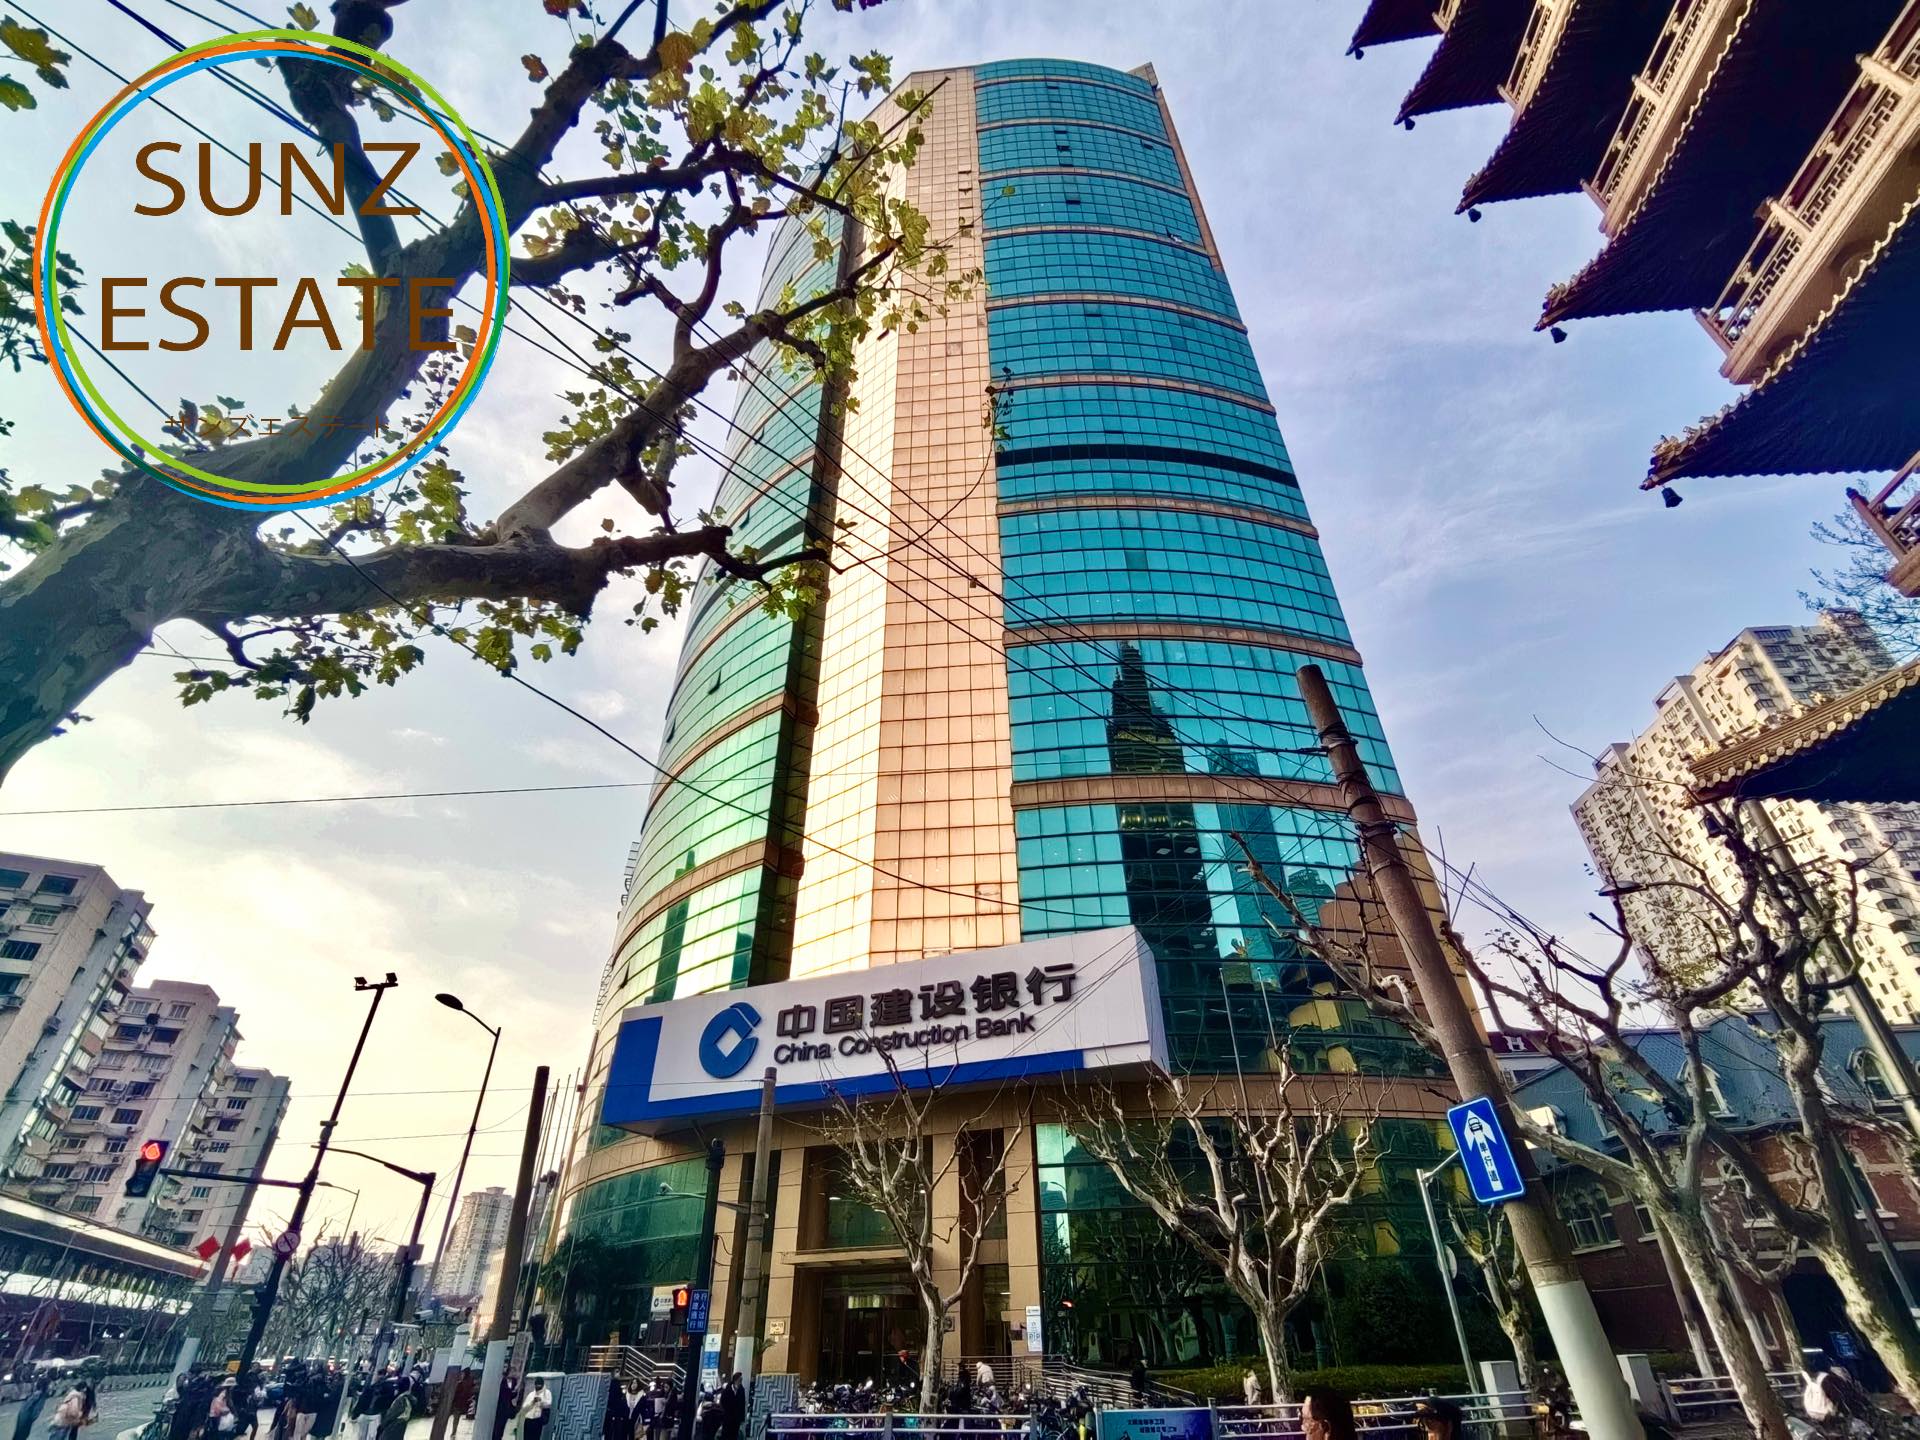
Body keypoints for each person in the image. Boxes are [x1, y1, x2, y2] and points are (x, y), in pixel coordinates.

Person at [719, 1374, 745, 1440]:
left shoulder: (741, 1390)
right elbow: (722, 1401)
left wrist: (742, 1418)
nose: (740, 1382)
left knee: (734, 1435)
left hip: (736, 1419)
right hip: (727, 1417)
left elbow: (742, 1404)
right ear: (735, 1380)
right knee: (726, 1435)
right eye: (739, 1380)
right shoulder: (727, 1389)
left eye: (741, 1380)